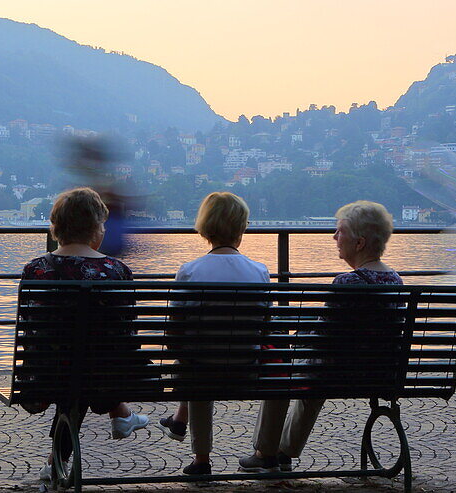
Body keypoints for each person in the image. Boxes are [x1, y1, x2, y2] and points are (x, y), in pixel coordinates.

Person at [239, 200, 402, 473]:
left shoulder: (347, 283)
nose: (335, 237)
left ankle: (264, 452)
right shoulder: (396, 280)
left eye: (341, 231)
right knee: (313, 378)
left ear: (360, 243)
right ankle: (283, 452)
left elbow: (322, 337)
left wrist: (295, 338)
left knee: (280, 367)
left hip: (337, 374)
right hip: (381, 374)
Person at [20, 187, 149, 481]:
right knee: (86, 366)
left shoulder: (36, 270)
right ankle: (122, 414)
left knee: (72, 369)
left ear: (56, 228)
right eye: (102, 224)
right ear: (94, 230)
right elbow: (127, 332)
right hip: (104, 378)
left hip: (45, 376)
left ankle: (57, 462)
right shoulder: (117, 271)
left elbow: (30, 328)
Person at [159, 192, 270, 476]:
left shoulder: (190, 271)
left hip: (202, 370)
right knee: (195, 359)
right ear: (242, 228)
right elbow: (268, 327)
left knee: (192, 361)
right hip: (247, 369)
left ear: (205, 227)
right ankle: (180, 420)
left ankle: (201, 460)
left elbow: (173, 334)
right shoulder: (259, 272)